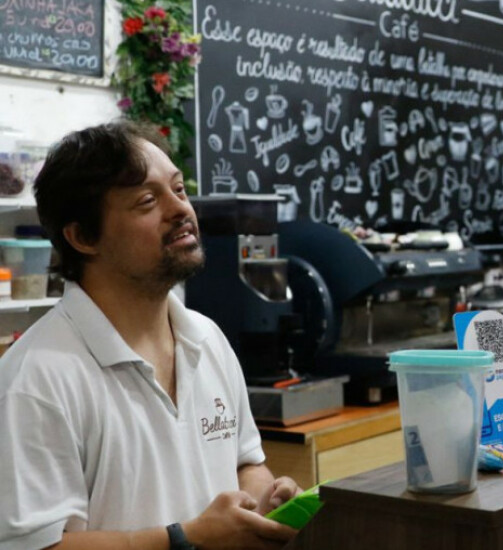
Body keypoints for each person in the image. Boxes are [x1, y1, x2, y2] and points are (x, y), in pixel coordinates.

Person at [0, 121, 301, 549]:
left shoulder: (207, 339)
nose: (180, 210)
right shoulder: (35, 379)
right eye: (147, 200)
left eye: (178, 189)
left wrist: (265, 500)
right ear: (83, 236)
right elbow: (37, 545)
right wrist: (186, 539)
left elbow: (245, 464)